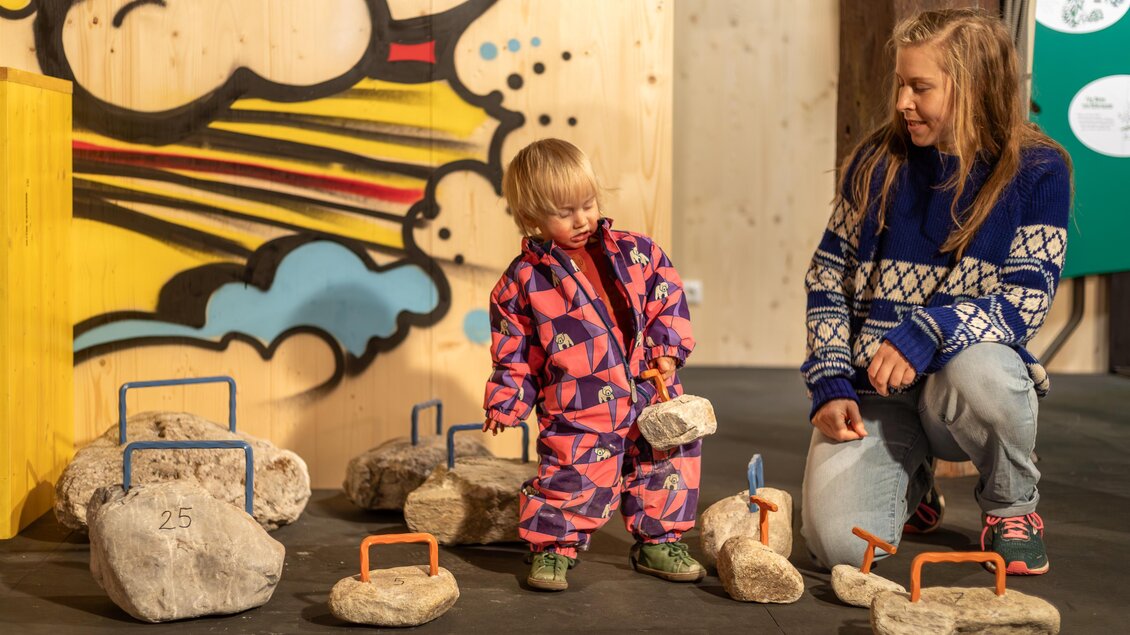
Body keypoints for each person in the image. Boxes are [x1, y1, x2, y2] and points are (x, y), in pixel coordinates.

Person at [800, 8, 1072, 576]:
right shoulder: (875, 162)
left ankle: (1011, 508)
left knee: (984, 373)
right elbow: (827, 278)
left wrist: (928, 330)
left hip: (960, 386)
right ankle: (911, 483)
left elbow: (1025, 302)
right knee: (841, 549)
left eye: (920, 87)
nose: (902, 101)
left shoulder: (1039, 169)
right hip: (878, 392)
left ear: (973, 86)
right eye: (900, 83)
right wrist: (829, 381)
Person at [483, 138, 704, 591]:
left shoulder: (639, 253)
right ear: (532, 217)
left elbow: (668, 300)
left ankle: (660, 541)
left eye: (587, 204)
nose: (582, 219)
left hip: (652, 393)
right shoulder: (521, 283)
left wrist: (667, 350)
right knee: (570, 474)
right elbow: (515, 352)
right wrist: (506, 401)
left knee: (665, 467)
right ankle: (553, 547)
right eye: (565, 212)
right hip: (578, 405)